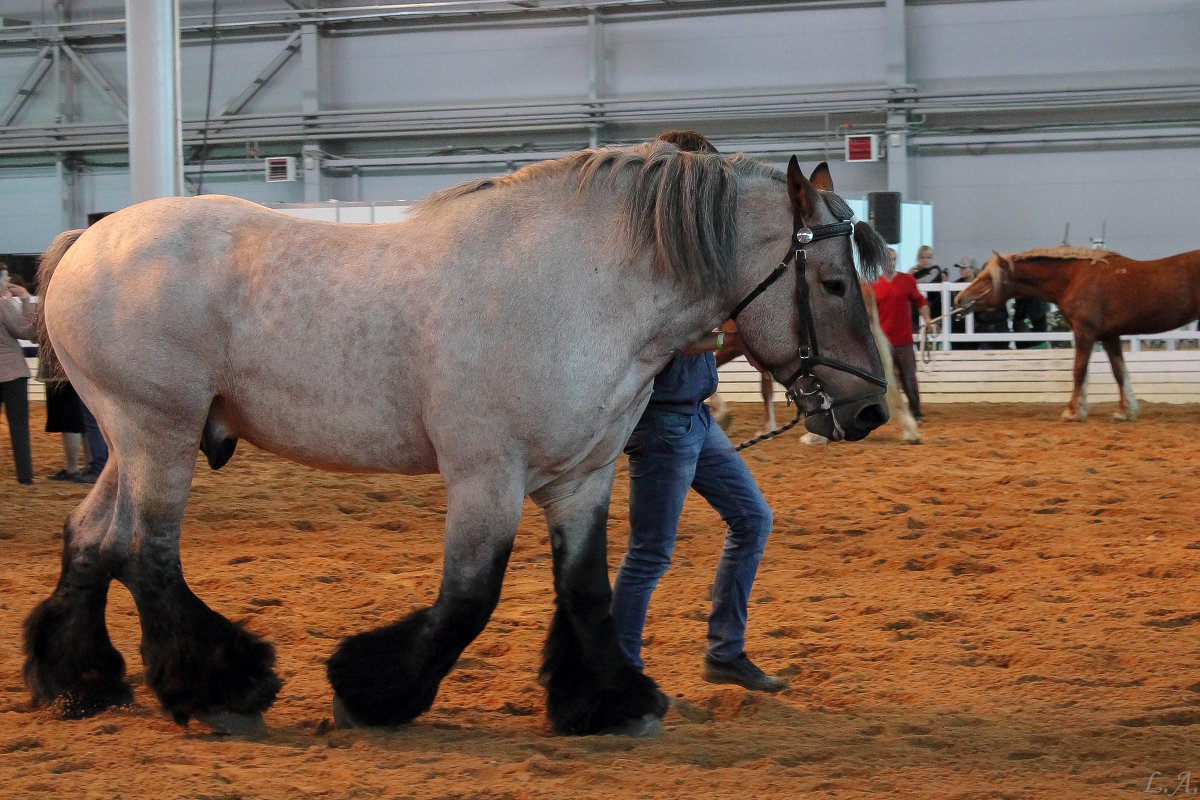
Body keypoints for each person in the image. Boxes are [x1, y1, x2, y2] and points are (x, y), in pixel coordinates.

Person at [610, 129, 785, 693]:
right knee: (650, 553)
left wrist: (736, 341)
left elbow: (699, 339)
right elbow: (661, 335)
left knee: (752, 519)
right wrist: (727, 339)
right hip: (664, 421)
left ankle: (725, 651)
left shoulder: (684, 251)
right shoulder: (652, 257)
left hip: (694, 418)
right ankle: (620, 671)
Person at [871, 247, 932, 422]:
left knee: (909, 379)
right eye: (887, 259)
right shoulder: (872, 284)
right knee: (879, 380)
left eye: (893, 259)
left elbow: (921, 302)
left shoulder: (907, 280)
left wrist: (927, 320)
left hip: (903, 340)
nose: (890, 262)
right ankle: (881, 414)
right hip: (881, 342)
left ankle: (916, 413)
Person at [0, 268, 37, 484]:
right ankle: (25, 476)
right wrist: (24, 299)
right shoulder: (3, 306)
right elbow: (27, 332)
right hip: (12, 373)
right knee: (19, 426)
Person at [909, 245, 946, 330]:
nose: (925, 260)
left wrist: (911, 277)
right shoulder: (914, 271)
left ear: (933, 258)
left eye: (929, 257)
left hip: (934, 308)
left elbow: (926, 281)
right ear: (918, 259)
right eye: (922, 257)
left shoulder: (936, 269)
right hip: (917, 309)